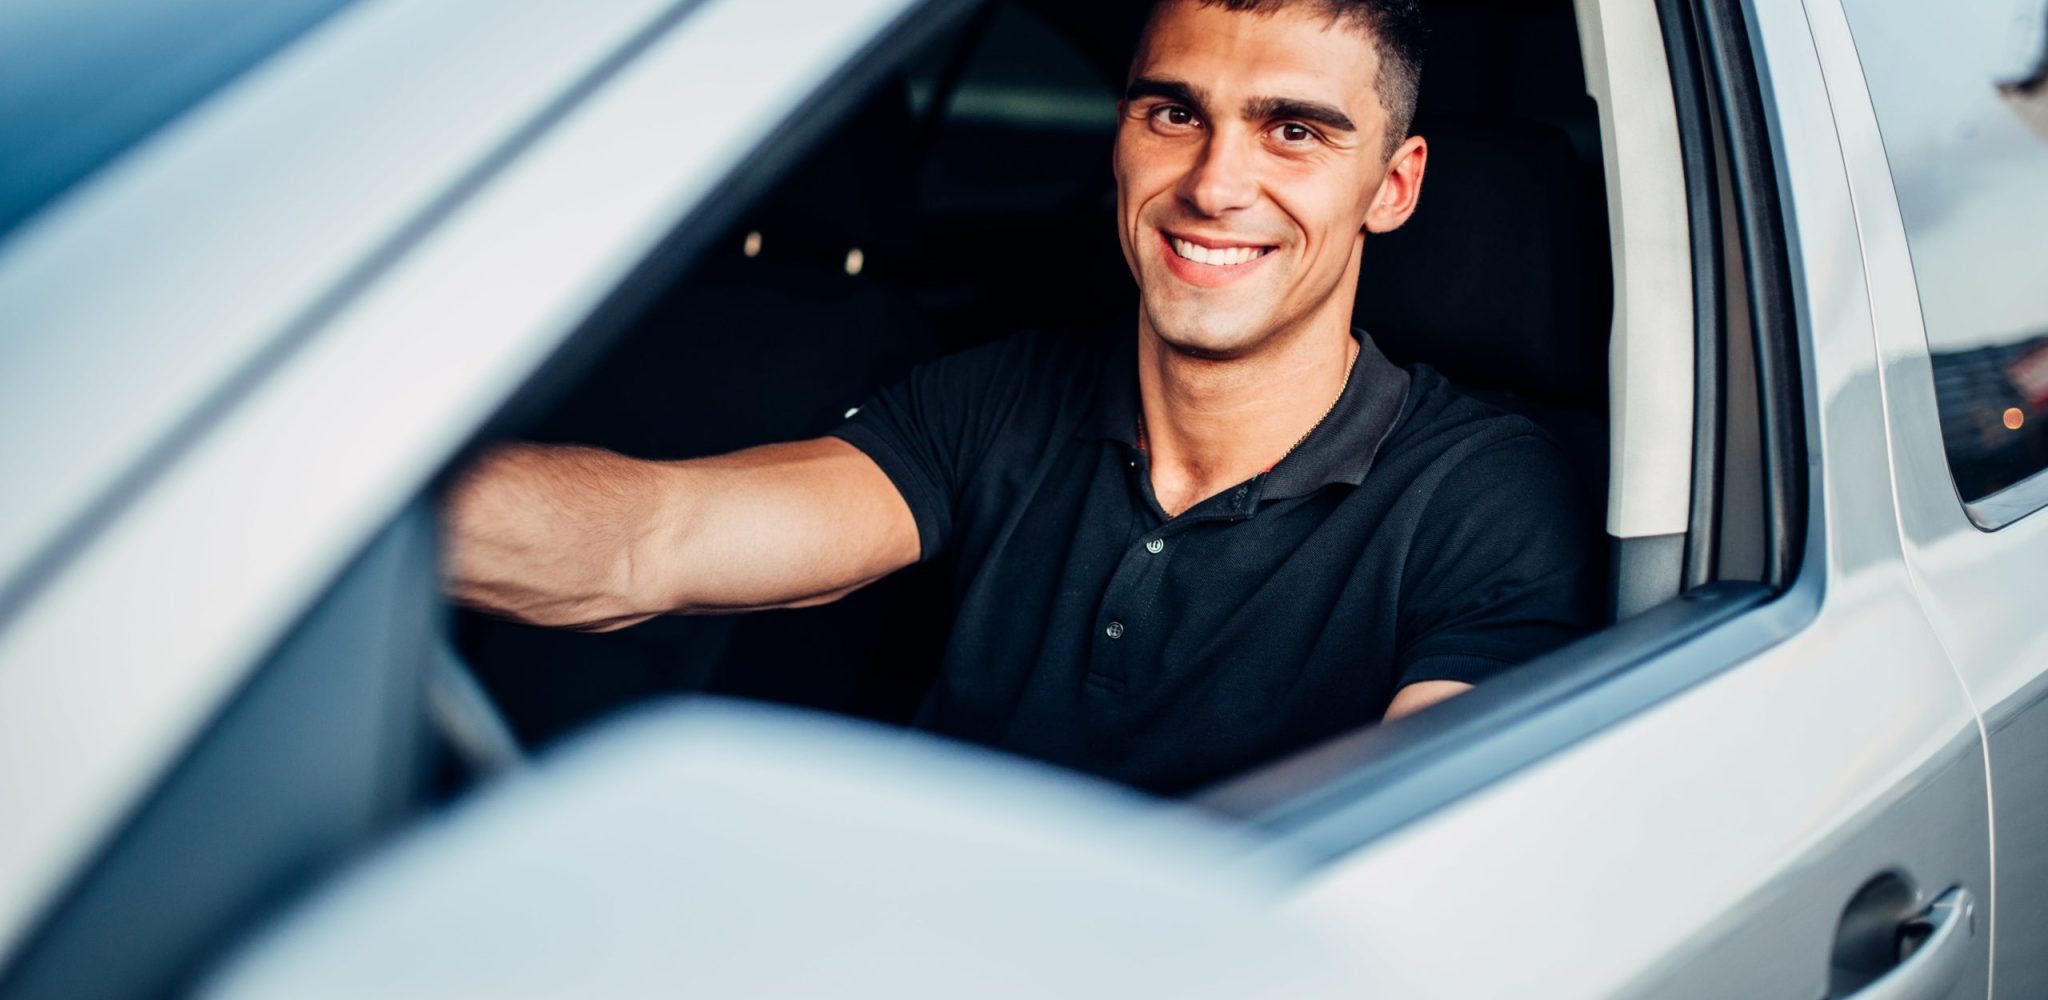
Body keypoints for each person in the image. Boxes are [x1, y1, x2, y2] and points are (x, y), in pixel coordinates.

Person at [444, 0, 1598, 794]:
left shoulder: (1480, 496)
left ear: (1389, 188)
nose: (1212, 183)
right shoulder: (1003, 397)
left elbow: (1412, 854)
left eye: (1292, 131)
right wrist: (305, 489)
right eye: (1173, 112)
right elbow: (654, 538)